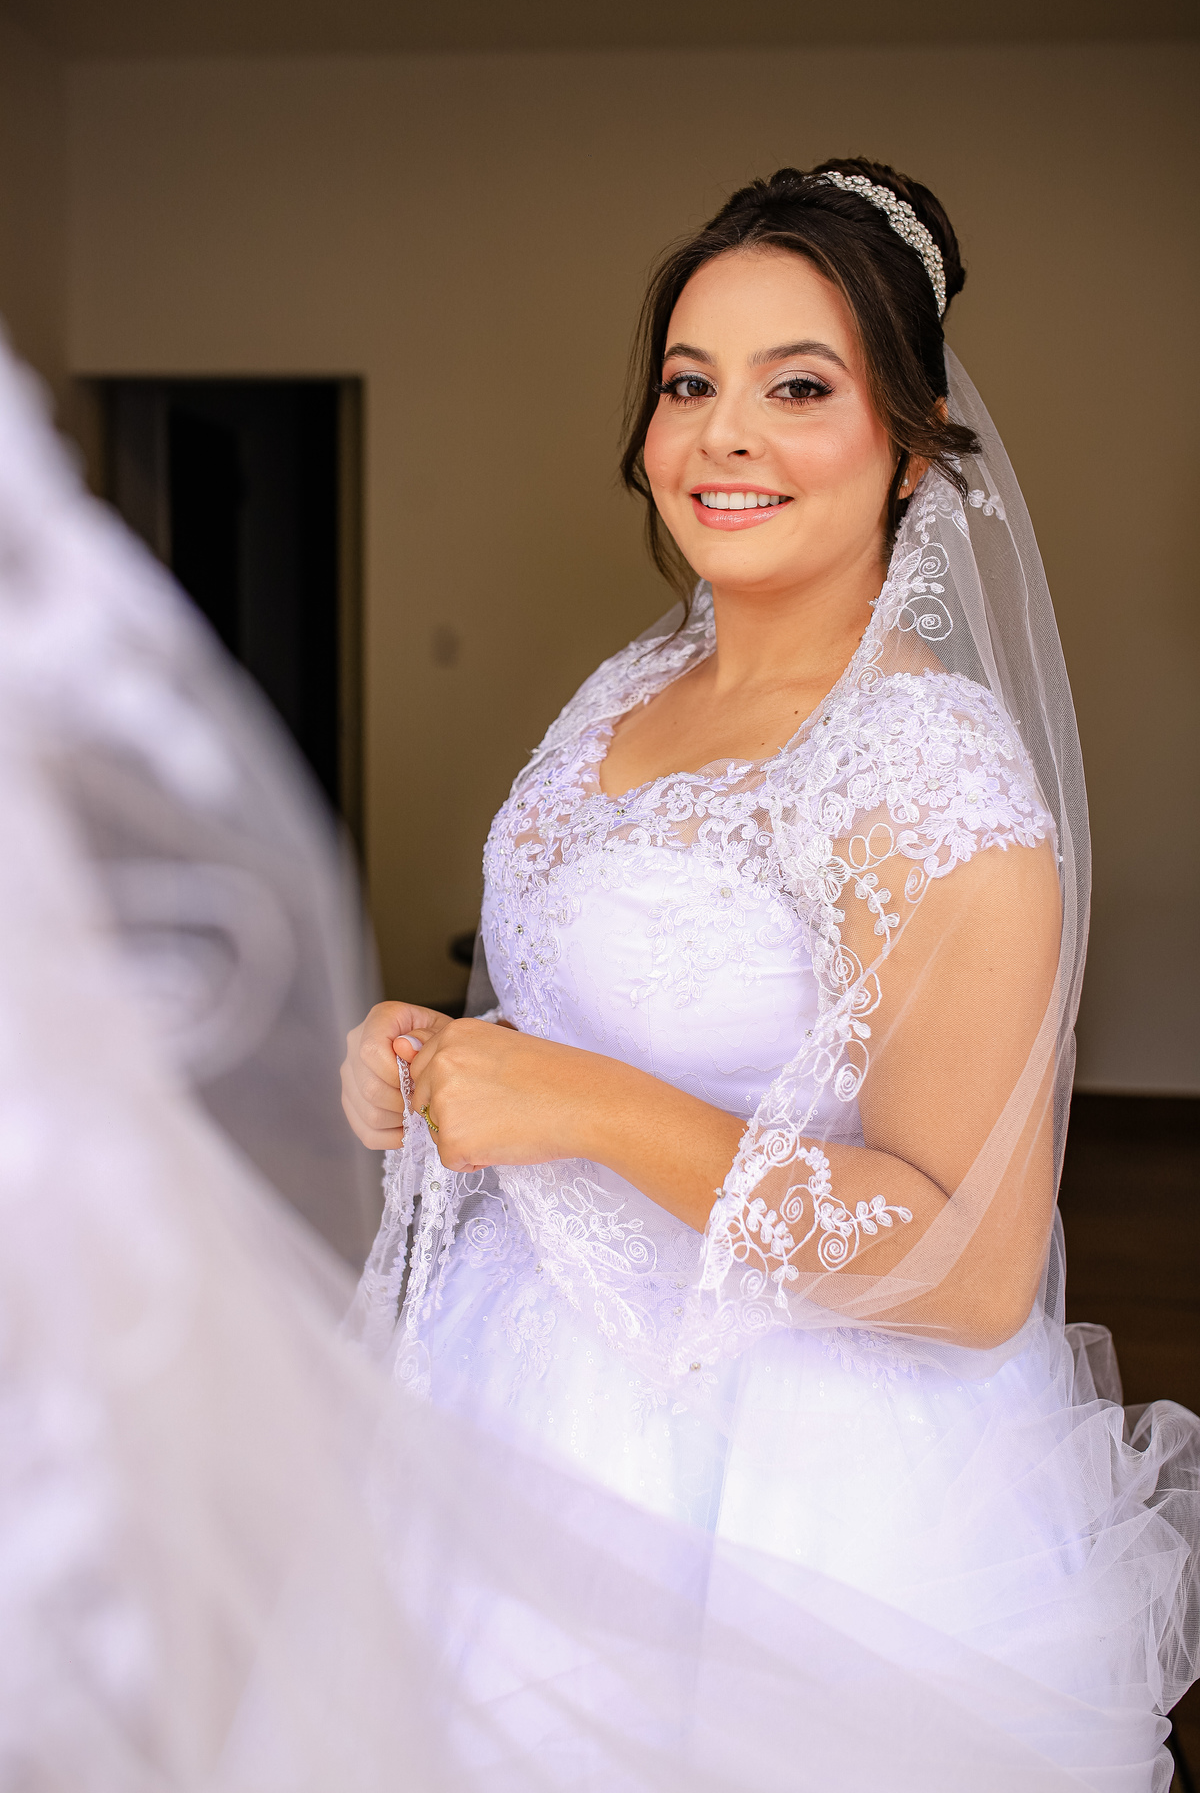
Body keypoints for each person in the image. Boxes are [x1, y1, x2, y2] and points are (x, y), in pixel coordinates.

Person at [342, 160, 1200, 1785]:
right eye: (690, 384)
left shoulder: (926, 770)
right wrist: (440, 1056)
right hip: (514, 1400)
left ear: (911, 446)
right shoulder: (637, 684)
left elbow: (970, 1270)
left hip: (781, 1491)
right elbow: (623, 999)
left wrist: (580, 1104)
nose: (722, 435)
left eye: (797, 388)